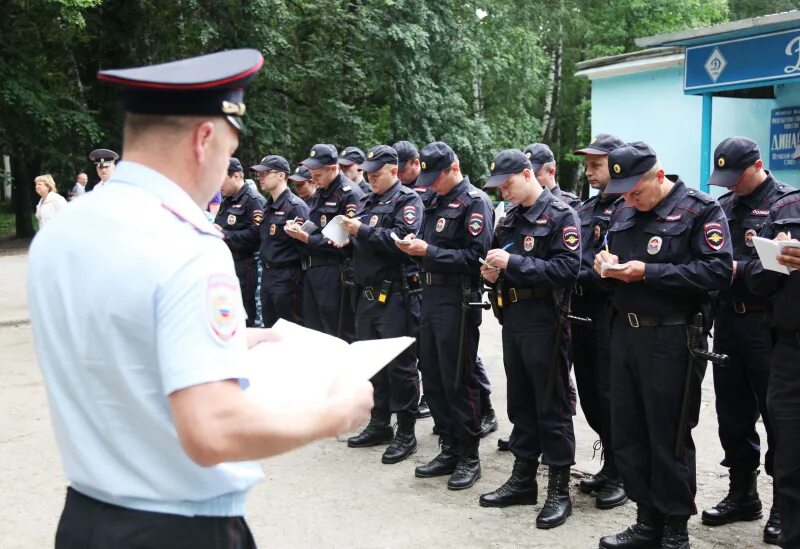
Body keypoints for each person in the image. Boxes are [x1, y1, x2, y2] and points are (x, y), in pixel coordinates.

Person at [27, 48, 372, 549]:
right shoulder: (187, 243)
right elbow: (212, 432)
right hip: (178, 526)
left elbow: (114, 341)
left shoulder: (67, 229)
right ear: (205, 138)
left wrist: (225, 340)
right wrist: (335, 413)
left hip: (86, 514)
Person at [594, 142, 733, 549]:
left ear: (659, 175)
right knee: (629, 430)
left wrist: (648, 273)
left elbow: (718, 270)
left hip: (672, 337)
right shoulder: (623, 209)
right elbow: (603, 256)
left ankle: (674, 527)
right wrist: (604, 267)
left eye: (636, 191)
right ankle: (646, 520)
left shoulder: (700, 210)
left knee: (667, 433)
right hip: (625, 333)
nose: (630, 200)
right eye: (624, 193)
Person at [478, 150, 579, 529]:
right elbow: (498, 263)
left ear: (527, 174)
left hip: (546, 319)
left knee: (551, 403)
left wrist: (513, 265)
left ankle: (558, 488)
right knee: (520, 400)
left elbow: (568, 269)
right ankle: (523, 479)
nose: (503, 192)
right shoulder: (511, 218)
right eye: (498, 187)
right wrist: (491, 275)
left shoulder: (560, 215)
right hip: (514, 316)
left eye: (507, 184)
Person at [703, 137, 793, 545]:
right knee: (732, 414)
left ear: (757, 166)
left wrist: (735, 270)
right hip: (727, 323)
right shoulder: (722, 208)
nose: (729, 185)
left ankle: (782, 505)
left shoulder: (783, 206)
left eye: (735, 176)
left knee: (778, 418)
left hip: (763, 325)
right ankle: (743, 493)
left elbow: (772, 272)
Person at [396, 141, 493, 491]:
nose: (431, 184)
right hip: (431, 294)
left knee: (457, 377)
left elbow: (477, 258)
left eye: (437, 178)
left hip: (458, 299)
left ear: (454, 168)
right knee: (433, 374)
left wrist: (430, 252)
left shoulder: (475, 202)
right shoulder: (433, 200)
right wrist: (413, 248)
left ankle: (469, 453)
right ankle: (448, 446)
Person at [341, 145, 424, 464]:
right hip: (366, 293)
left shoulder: (408, 200)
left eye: (376, 174)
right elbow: (364, 242)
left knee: (401, 365)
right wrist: (347, 241)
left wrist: (362, 230)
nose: (370, 178)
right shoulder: (366, 201)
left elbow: (402, 242)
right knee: (372, 361)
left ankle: (406, 431)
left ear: (393, 170)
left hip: (396, 294)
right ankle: (379, 423)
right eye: (368, 174)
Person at [571, 133, 628, 510]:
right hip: (581, 313)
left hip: (610, 314)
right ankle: (610, 463)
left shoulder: (628, 209)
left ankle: (624, 472)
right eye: (587, 165)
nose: (589, 171)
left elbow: (610, 269)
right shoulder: (585, 210)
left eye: (597, 164)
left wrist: (577, 271)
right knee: (591, 395)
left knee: (613, 396)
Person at [745, 189, 800, 549]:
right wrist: (774, 258)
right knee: (791, 457)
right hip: (790, 350)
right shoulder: (786, 209)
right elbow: (755, 281)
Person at [286, 143, 364, 340]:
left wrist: (306, 238)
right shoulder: (320, 192)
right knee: (314, 331)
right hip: (312, 270)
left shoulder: (350, 194)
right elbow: (316, 226)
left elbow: (342, 240)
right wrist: (299, 228)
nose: (313, 179)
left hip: (335, 271)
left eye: (318, 175)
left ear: (333, 168)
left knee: (335, 331)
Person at [252, 154, 309, 327]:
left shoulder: (295, 207)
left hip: (287, 276)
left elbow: (305, 244)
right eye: (259, 174)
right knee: (270, 327)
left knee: (290, 328)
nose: (260, 177)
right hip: (268, 274)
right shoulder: (267, 206)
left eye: (265, 173)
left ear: (281, 175)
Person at [214, 157, 266, 327]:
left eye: (221, 180)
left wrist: (226, 235)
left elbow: (257, 233)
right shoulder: (227, 199)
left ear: (236, 177)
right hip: (227, 262)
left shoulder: (253, 200)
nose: (218, 185)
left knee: (245, 313)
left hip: (246, 264)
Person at [522, 143, 581, 208]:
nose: (528, 180)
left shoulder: (570, 203)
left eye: (535, 175)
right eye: (525, 175)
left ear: (551, 172)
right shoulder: (517, 205)